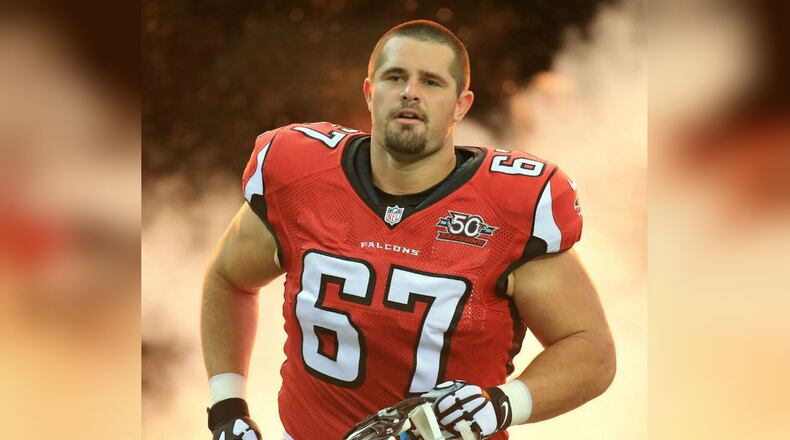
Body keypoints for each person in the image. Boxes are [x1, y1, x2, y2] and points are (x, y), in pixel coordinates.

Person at [201, 20, 616, 440]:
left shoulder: (512, 209)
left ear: (461, 104)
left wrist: (503, 404)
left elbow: (590, 349)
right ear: (369, 91)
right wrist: (227, 407)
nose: (410, 92)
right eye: (395, 76)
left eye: (432, 82)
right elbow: (228, 278)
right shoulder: (300, 175)